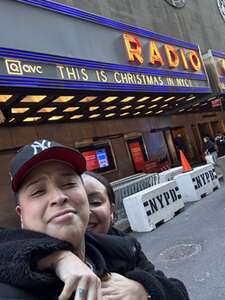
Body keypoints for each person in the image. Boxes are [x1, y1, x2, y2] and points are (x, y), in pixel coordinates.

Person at [0, 139, 189, 300]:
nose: (58, 197)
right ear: (21, 215)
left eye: (69, 184)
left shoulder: (124, 251)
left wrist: (145, 291)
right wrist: (55, 257)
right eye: (38, 191)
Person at [82, 171, 189, 299]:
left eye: (95, 202)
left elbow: (177, 292)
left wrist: (144, 289)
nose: (86, 212)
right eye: (77, 204)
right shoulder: (56, 260)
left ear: (111, 210)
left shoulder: (129, 246)